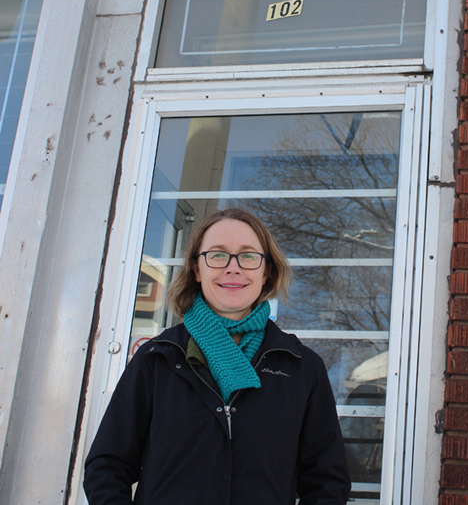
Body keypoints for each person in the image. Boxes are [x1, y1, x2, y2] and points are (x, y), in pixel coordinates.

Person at [84, 206, 351, 505]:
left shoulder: (301, 368)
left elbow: (327, 482)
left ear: (266, 272)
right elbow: (106, 468)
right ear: (197, 269)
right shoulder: (156, 359)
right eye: (218, 254)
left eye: (248, 256)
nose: (233, 267)